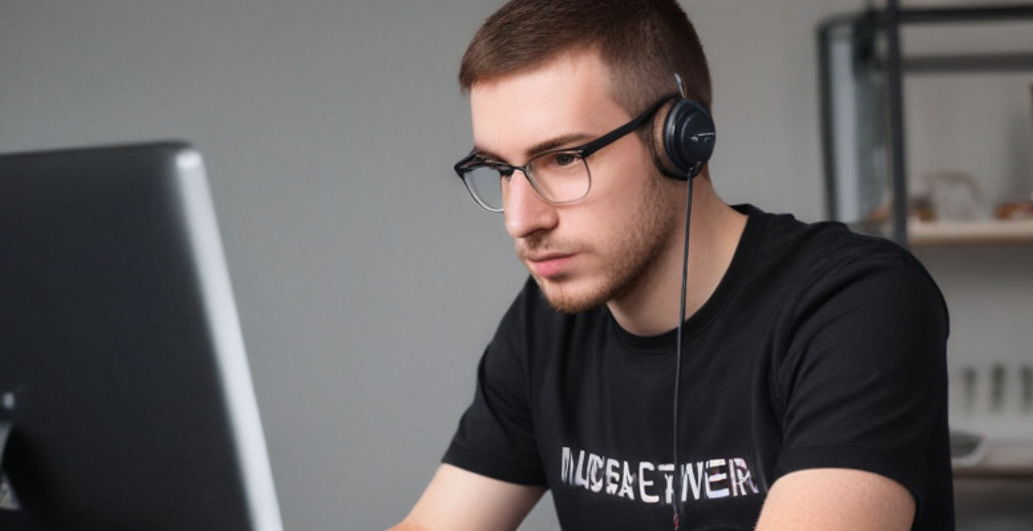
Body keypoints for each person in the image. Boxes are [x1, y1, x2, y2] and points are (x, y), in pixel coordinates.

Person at [392, 0, 953, 529]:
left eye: (562, 158)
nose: (520, 221)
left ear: (680, 141)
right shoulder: (547, 324)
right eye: (500, 170)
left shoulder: (857, 302)